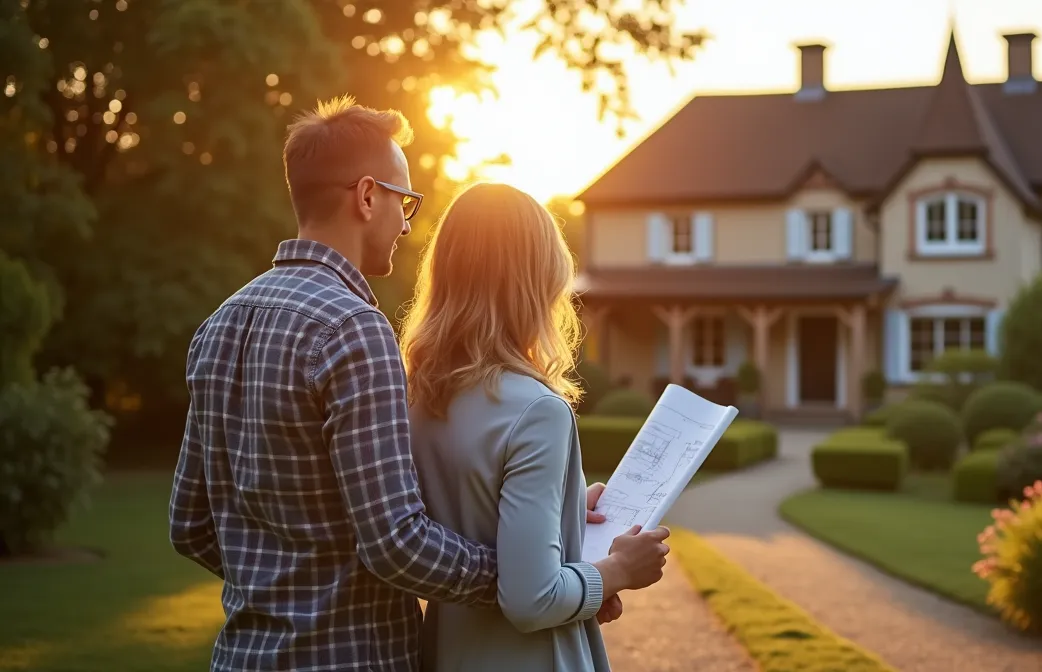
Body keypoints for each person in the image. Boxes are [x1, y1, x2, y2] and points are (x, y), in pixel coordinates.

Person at [167, 96, 668, 672]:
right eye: (404, 199)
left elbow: (192, 525)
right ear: (366, 195)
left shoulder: (220, 324)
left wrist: (278, 588)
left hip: (242, 655)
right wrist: (552, 582)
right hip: (348, 658)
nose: (408, 220)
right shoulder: (352, 330)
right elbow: (396, 543)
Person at [399, 182, 671, 672]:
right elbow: (533, 599)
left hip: (447, 653)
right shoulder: (536, 410)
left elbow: (472, 522)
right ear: (533, 285)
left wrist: (566, 508)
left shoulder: (416, 395)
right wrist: (618, 571)